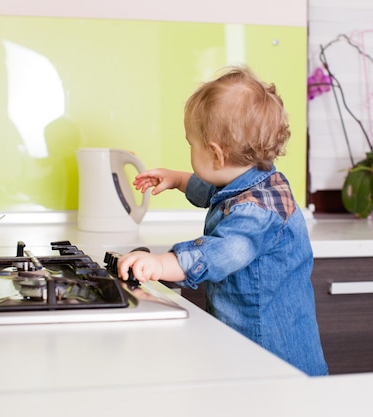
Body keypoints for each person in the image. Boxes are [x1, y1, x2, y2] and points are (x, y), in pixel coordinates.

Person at [117, 66, 328, 376]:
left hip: (270, 360)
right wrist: (177, 179)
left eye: (192, 145)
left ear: (215, 153)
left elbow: (219, 252)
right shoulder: (258, 181)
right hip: (259, 352)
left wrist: (160, 264)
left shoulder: (257, 212)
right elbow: (219, 191)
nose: (191, 150)